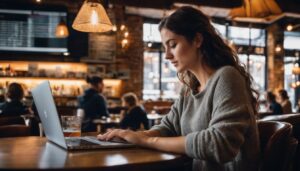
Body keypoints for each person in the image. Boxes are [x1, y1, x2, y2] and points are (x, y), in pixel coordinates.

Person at [98, 6, 260, 171]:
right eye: (165, 47)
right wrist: (133, 136)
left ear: (197, 40)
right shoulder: (189, 88)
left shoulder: (227, 77)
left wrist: (147, 141)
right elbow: (168, 127)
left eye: (173, 44)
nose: (167, 55)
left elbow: (219, 144)